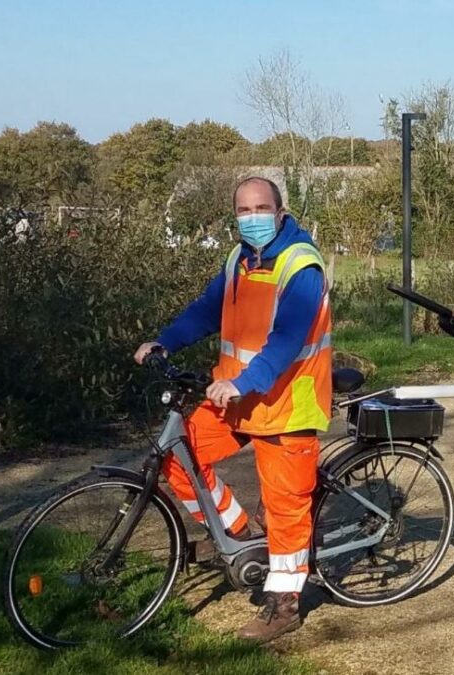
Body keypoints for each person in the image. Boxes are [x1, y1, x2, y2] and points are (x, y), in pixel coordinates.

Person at [134, 176, 331, 642]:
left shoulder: (301, 265)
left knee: (285, 508)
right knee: (178, 458)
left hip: (285, 403)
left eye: (261, 207)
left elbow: (285, 341)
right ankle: (242, 541)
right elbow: (206, 311)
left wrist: (244, 383)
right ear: (235, 216)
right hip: (237, 399)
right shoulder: (238, 259)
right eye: (244, 210)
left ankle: (284, 604)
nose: (253, 217)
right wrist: (165, 340)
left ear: (281, 212)